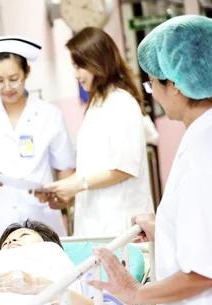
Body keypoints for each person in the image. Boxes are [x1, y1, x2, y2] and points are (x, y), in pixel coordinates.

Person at [89, 15, 212, 305]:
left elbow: (206, 272)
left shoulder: (204, 158)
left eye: (153, 82)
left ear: (177, 85)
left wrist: (136, 293)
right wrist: (166, 229)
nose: (151, 90)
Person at [0, 35, 76, 241]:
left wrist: (62, 198)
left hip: (40, 215)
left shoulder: (49, 114)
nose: (7, 88)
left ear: (27, 72)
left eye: (14, 79)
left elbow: (66, 171)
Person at [37, 28, 154, 237]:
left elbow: (125, 167)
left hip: (120, 222)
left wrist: (77, 184)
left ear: (98, 62)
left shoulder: (121, 103)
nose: (76, 75)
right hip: (96, 222)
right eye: (74, 67)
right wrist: (67, 194)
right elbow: (93, 167)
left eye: (80, 66)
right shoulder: (97, 103)